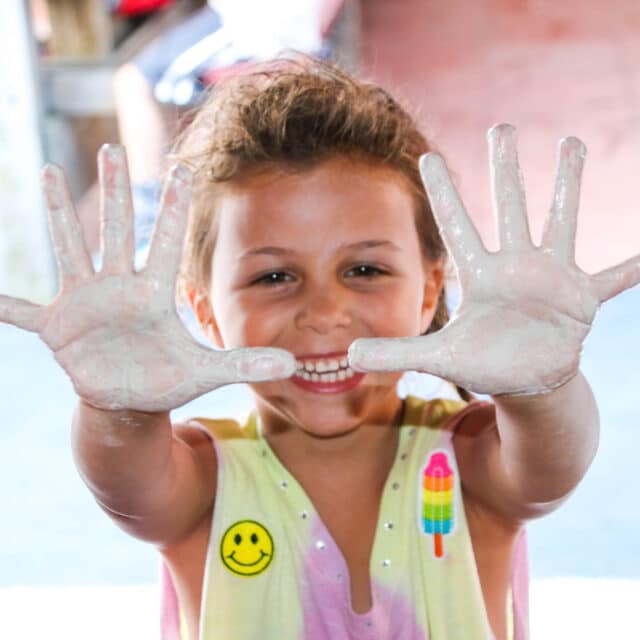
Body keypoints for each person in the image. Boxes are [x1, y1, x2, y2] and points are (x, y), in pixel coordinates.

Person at [1, 56, 638, 640]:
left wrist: (543, 387)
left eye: (365, 270)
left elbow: (552, 463)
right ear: (203, 310)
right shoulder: (197, 480)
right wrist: (117, 409)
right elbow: (125, 481)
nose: (325, 312)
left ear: (429, 290)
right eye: (273, 277)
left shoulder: (472, 462)